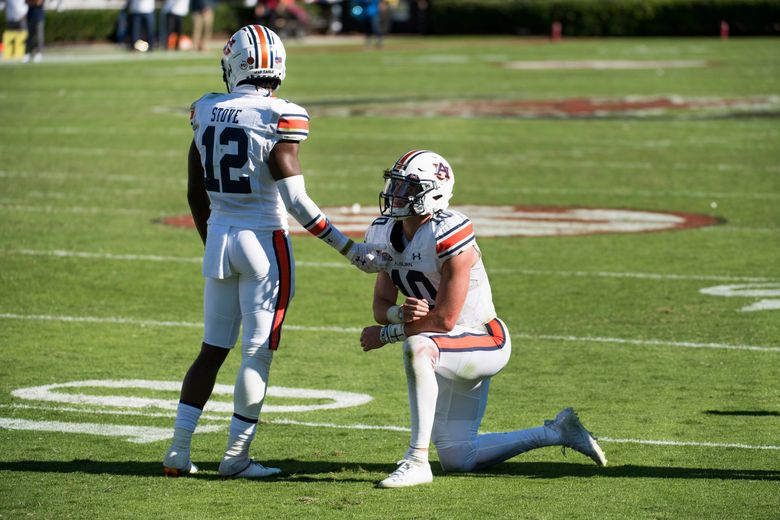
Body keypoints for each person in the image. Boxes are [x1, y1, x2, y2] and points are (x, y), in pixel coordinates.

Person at [163, 25, 389, 479]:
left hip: (220, 239)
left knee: (212, 349)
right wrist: (350, 250)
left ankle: (178, 451)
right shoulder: (280, 115)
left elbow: (194, 194)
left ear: (234, 64)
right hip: (264, 240)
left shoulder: (205, 109)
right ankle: (236, 457)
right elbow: (297, 202)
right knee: (257, 353)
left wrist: (216, 242)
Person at [359, 150, 607, 488]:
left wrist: (389, 333)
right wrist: (396, 313)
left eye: (406, 188)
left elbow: (446, 320)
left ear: (433, 193)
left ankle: (416, 460)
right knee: (459, 458)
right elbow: (381, 304)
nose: (395, 194)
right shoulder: (385, 232)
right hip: (447, 343)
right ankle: (558, 431)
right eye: (396, 185)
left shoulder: (449, 232)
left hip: (483, 338)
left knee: (418, 347)